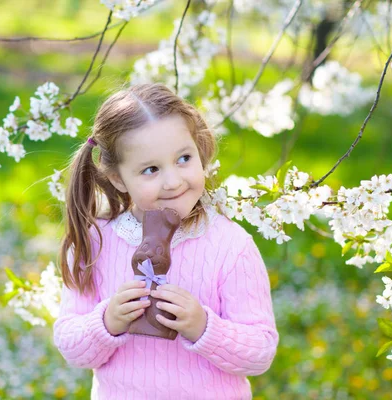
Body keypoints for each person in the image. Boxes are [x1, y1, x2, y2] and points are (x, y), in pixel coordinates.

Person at [53, 83, 278, 400]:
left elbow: (260, 352)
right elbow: (71, 346)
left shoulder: (230, 246)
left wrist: (203, 327)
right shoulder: (97, 242)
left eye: (184, 158)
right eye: (150, 169)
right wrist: (107, 322)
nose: (173, 181)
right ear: (118, 178)